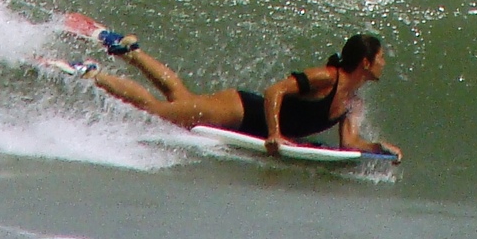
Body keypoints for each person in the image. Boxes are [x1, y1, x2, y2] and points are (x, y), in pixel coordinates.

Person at [51, 33, 401, 160]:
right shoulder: (327, 78)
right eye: (381, 57)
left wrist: (378, 147)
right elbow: (274, 91)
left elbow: (349, 142)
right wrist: (276, 133)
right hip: (239, 111)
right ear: (366, 61)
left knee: (180, 98)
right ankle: (92, 73)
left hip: (247, 124)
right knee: (157, 111)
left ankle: (131, 51)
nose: (385, 62)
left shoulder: (354, 102)